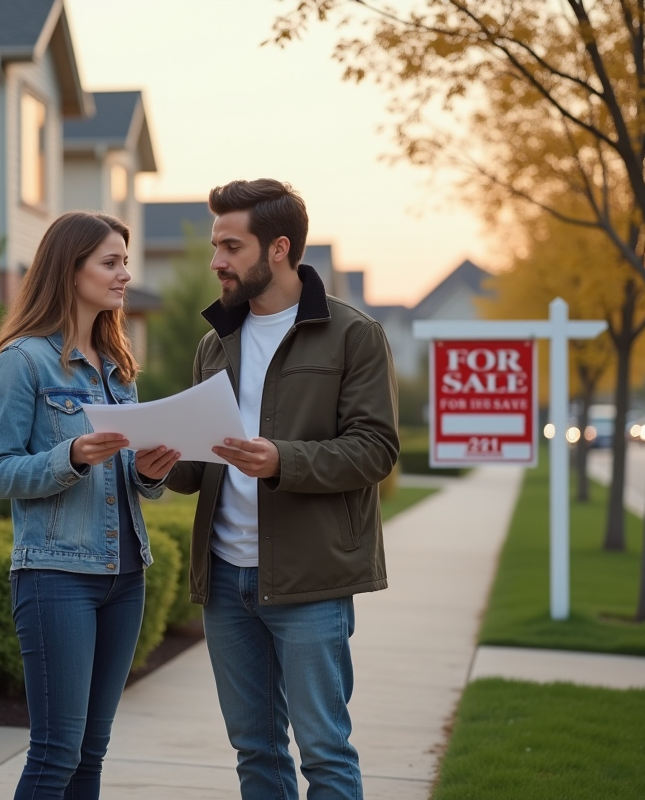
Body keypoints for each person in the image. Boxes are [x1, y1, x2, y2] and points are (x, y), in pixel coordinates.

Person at [165, 179, 399, 799]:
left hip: (310, 580)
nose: (216, 260)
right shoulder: (215, 344)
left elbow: (376, 449)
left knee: (324, 752)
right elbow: (200, 464)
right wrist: (157, 461)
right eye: (216, 245)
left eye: (230, 246)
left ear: (278, 248)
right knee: (255, 751)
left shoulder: (354, 335)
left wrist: (280, 461)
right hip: (224, 577)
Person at [0, 211, 180, 799]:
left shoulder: (117, 365)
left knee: (91, 754)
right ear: (71, 270)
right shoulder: (23, 360)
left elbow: (125, 478)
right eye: (110, 262)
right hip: (57, 575)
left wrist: (147, 472)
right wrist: (73, 455)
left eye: (124, 261)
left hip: (125, 576)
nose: (124, 275)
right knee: (56, 753)